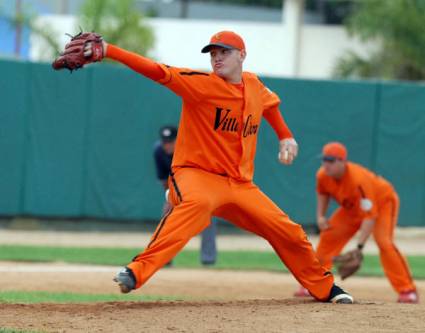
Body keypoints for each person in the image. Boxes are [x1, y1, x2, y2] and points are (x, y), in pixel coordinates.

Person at [83, 30, 353, 303]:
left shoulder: (254, 85)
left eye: (224, 52)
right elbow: (158, 71)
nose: (217, 58)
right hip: (196, 174)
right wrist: (109, 51)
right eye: (213, 53)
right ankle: (135, 272)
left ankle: (324, 288)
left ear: (242, 55)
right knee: (198, 205)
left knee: (289, 231)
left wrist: (285, 135)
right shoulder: (202, 85)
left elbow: (269, 104)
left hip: (239, 185)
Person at [295, 142, 418, 303]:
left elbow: (370, 216)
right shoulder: (323, 175)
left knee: (384, 242)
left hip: (382, 203)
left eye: (331, 160)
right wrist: (321, 216)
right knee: (329, 236)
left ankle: (407, 290)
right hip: (352, 208)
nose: (326, 164)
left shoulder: (358, 180)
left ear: (342, 161)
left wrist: (359, 247)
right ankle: (314, 284)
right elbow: (323, 193)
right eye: (324, 159)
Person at [154, 125, 217, 265]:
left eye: (170, 141)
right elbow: (165, 180)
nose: (167, 145)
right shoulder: (158, 151)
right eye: (165, 142)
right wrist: (173, 197)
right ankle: (163, 259)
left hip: (201, 188)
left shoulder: (189, 149)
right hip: (176, 190)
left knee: (208, 218)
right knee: (167, 216)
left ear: (178, 140)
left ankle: (208, 260)